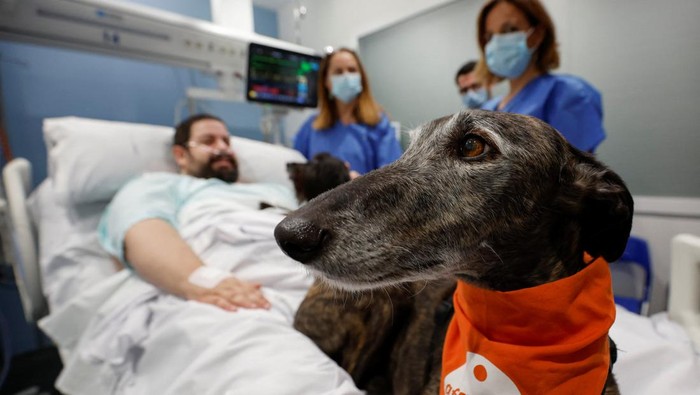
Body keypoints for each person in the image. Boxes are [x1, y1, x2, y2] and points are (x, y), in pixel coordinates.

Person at [48, 113, 364, 394]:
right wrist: (205, 281)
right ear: (180, 154)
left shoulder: (274, 191)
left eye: (226, 140)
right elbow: (142, 229)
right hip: (244, 291)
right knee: (282, 373)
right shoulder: (160, 185)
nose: (223, 147)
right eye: (208, 141)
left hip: (320, 281)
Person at [474, 0, 605, 153]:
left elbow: (575, 172)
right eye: (490, 37)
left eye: (510, 30)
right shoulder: (488, 109)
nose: (497, 43)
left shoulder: (567, 95)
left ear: (537, 34)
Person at [293, 47, 402, 178]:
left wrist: (360, 185)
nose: (346, 76)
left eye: (352, 70)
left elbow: (394, 179)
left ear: (361, 77)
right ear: (326, 82)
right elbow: (296, 173)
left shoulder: (379, 125)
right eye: (338, 72)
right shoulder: (312, 127)